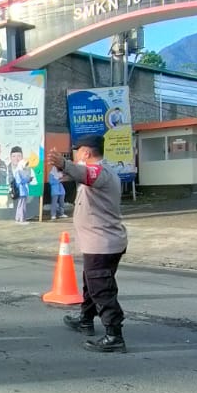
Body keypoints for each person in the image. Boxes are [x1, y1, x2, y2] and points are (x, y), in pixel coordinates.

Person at [53, 136, 129, 353]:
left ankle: (114, 335)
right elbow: (82, 176)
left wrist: (64, 164)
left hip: (102, 244)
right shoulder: (99, 172)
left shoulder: (99, 172)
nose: (75, 155)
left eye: (77, 152)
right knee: (91, 283)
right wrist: (66, 172)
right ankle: (85, 319)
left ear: (85, 152)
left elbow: (86, 174)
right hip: (99, 242)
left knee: (102, 289)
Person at [8, 146, 35, 223]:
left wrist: (28, 180)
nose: (26, 166)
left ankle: (19, 218)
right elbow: (19, 181)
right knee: (21, 205)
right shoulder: (18, 172)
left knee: (22, 205)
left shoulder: (23, 171)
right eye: (25, 164)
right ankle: (21, 219)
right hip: (21, 191)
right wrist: (27, 180)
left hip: (24, 191)